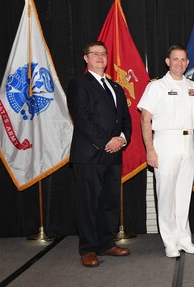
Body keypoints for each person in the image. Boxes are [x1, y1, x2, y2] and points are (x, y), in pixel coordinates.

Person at [67, 41, 132, 267]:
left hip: (113, 155)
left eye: (103, 54)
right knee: (88, 203)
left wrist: (122, 139)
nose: (100, 57)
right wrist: (106, 142)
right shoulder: (78, 84)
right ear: (86, 58)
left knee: (109, 202)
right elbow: (83, 119)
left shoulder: (116, 87)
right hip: (89, 155)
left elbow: (125, 118)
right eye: (95, 54)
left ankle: (106, 243)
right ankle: (87, 249)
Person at [138, 45, 194, 258]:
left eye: (184, 59)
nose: (180, 63)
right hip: (165, 142)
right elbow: (145, 119)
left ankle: (184, 239)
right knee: (166, 195)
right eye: (176, 59)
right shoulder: (156, 87)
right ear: (168, 62)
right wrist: (150, 150)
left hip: (187, 143)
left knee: (183, 194)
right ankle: (169, 242)